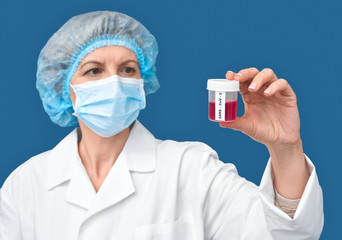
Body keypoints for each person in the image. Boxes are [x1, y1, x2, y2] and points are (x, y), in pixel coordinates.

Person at [0, 11, 324, 239]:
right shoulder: (26, 185)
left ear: (143, 81)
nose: (114, 81)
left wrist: (286, 148)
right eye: (94, 71)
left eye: (127, 69)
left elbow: (283, 235)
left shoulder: (192, 169)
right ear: (63, 87)